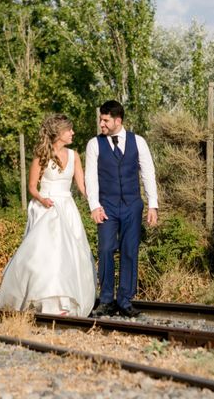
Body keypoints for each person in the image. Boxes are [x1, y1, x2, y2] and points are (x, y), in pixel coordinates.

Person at [0, 114, 96, 316]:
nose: (73, 133)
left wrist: (95, 202)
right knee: (48, 256)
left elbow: (82, 185)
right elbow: (32, 187)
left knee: (70, 256)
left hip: (67, 207)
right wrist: (43, 200)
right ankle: (46, 304)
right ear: (59, 133)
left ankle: (65, 304)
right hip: (47, 207)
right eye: (69, 130)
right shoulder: (42, 155)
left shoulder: (74, 155)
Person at [85, 100, 158, 318]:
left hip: (132, 205)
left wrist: (152, 204)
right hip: (106, 206)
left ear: (118, 120)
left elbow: (148, 173)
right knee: (106, 249)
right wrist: (94, 206)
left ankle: (125, 301)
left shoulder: (139, 142)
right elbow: (91, 177)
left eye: (105, 120)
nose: (101, 124)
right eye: (100, 119)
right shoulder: (94, 144)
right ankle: (106, 300)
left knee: (129, 250)